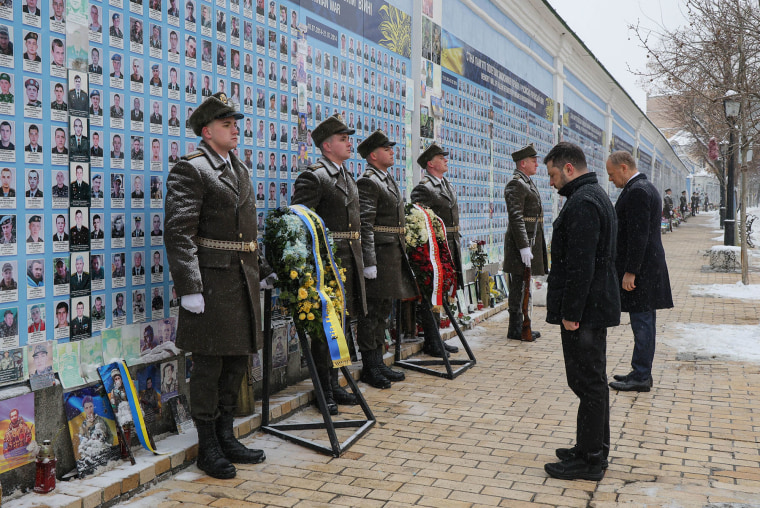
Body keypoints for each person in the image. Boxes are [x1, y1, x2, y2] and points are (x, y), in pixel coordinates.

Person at [165, 91, 268, 479]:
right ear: (207, 132)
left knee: (236, 362)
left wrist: (264, 267)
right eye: (226, 124)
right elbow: (178, 233)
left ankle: (227, 436)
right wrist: (189, 286)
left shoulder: (238, 169)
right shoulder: (191, 169)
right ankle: (207, 445)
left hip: (241, 282)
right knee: (208, 367)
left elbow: (247, 233)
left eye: (235, 123)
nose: (235, 129)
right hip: (210, 284)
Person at [542, 142, 620, 481]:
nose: (551, 182)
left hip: (585, 310)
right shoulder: (591, 195)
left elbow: (581, 265)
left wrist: (571, 312)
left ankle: (589, 460)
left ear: (569, 168)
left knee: (586, 382)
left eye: (553, 174)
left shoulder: (583, 203)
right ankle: (593, 448)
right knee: (592, 381)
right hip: (593, 305)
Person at [291, 113, 367, 415]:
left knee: (343, 326)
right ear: (326, 146)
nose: (349, 144)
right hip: (327, 263)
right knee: (324, 330)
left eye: (349, 138)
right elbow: (299, 222)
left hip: (349, 260)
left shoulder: (346, 174)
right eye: (342, 139)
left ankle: (335, 383)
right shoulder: (314, 176)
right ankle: (322, 389)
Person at [605, 151, 673, 392]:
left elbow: (638, 235)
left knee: (642, 323)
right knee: (643, 322)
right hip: (647, 268)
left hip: (643, 272)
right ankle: (639, 370)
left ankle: (642, 375)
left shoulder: (637, 192)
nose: (610, 179)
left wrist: (631, 271)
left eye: (612, 174)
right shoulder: (643, 188)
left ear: (624, 168)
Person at [356, 131, 416, 388]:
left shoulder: (386, 179)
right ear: (373, 155)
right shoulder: (368, 182)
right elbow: (365, 225)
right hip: (379, 255)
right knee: (371, 312)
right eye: (386, 148)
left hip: (391, 253)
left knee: (382, 310)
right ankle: (370, 365)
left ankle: (379, 361)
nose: (392, 151)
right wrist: (369, 261)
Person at [410, 143, 461, 357]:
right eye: (441, 157)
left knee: (441, 293)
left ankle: (437, 337)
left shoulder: (444, 183)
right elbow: (421, 220)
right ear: (431, 163)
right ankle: (431, 341)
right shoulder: (425, 188)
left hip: (450, 244)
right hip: (436, 248)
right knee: (432, 293)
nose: (446, 160)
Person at [503, 144, 548, 341]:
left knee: (524, 285)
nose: (537, 163)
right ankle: (515, 327)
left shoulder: (526, 182)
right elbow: (516, 217)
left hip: (530, 242)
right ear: (523, 163)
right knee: (518, 287)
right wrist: (523, 246)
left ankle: (522, 324)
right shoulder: (516, 184)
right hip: (520, 244)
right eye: (533, 160)